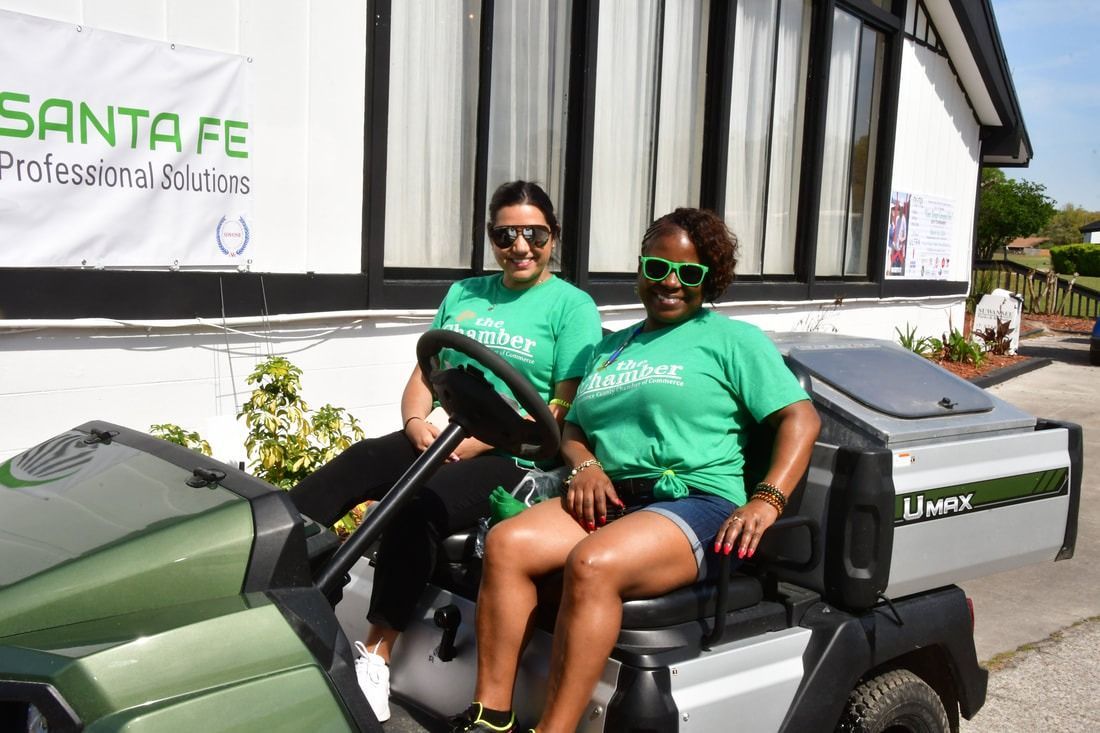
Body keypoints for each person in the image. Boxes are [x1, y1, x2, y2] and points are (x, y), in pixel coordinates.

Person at [449, 208, 821, 733]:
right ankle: (492, 716)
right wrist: (585, 468)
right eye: (657, 267)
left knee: (593, 564)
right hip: (615, 496)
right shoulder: (610, 346)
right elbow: (573, 429)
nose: (670, 282)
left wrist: (767, 498)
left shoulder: (733, 340)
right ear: (641, 269)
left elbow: (800, 418)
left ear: (708, 279)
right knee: (508, 543)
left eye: (689, 273)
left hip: (697, 501)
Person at [289, 180, 602, 722]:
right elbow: (426, 371)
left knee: (419, 508)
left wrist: (482, 438)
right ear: (491, 238)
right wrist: (415, 421)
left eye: (535, 233)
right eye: (506, 234)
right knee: (355, 464)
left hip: (516, 456)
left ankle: (376, 655)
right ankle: (281, 591)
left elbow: (560, 407)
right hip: (445, 436)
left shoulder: (571, 307)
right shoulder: (466, 293)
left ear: (553, 237)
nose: (520, 246)